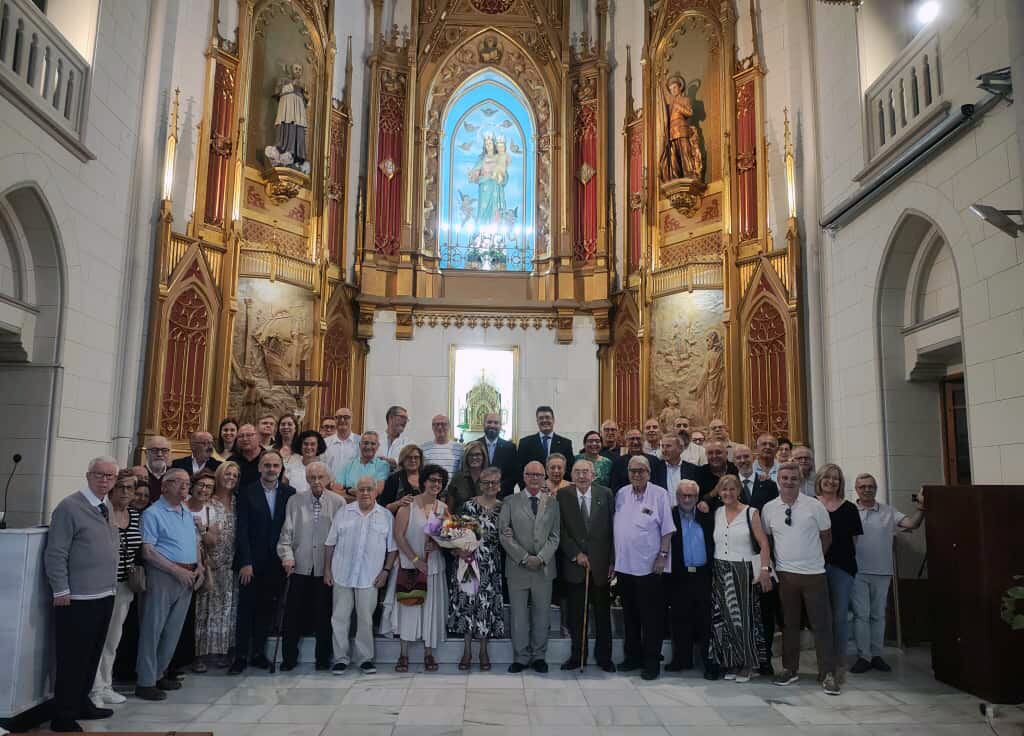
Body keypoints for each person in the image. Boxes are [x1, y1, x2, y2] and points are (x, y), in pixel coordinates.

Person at [44, 457, 120, 731]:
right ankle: (63, 715)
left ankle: (81, 702)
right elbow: (56, 552)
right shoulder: (69, 507)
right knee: (72, 658)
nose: (104, 480)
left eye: (110, 476)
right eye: (99, 474)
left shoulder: (105, 506)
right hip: (77, 598)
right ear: (88, 476)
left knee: (91, 656)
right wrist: (60, 589)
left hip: (104, 594)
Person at [761, 462, 839, 695]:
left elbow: (826, 536)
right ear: (778, 480)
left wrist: (814, 559)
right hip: (786, 575)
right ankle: (789, 669)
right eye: (784, 478)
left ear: (800, 480)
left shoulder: (814, 506)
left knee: (821, 625)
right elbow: (768, 540)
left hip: (814, 574)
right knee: (789, 624)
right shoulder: (769, 509)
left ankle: (828, 673)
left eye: (793, 478)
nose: (789, 482)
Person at [134, 469, 205, 701]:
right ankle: (145, 682)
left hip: (188, 576)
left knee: (172, 631)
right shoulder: (153, 513)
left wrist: (199, 566)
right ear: (164, 486)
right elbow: (148, 551)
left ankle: (159, 673)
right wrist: (175, 570)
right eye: (178, 482)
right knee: (152, 629)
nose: (185, 486)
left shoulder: (185, 510)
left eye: (187, 482)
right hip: (163, 575)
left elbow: (195, 542)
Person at [850, 474, 925, 673]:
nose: (867, 489)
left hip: (882, 571)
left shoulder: (888, 511)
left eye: (871, 486)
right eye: (862, 487)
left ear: (876, 488)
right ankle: (863, 656)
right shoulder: (850, 510)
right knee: (861, 615)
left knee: (878, 615)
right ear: (856, 489)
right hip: (857, 571)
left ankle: (876, 655)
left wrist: (922, 508)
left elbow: (912, 524)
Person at [230, 450, 296, 674]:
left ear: (281, 468)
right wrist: (245, 562)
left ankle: (258, 653)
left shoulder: (289, 493)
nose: (271, 469)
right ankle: (240, 656)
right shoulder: (247, 492)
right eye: (267, 465)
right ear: (259, 467)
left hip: (275, 562)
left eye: (275, 465)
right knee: (246, 609)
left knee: (266, 609)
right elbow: (242, 530)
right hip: (251, 562)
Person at [325, 476, 398, 675]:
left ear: (376, 492)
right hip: (341, 573)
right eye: (361, 489)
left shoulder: (385, 516)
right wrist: (327, 570)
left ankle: (365, 659)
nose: (365, 493)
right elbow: (330, 543)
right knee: (339, 617)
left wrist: (386, 571)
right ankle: (340, 658)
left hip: (370, 577)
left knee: (365, 619)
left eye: (369, 489)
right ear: (356, 492)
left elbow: (392, 549)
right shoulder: (343, 512)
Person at [277, 461, 344, 671]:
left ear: (328, 479)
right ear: (306, 479)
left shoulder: (338, 502)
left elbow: (342, 537)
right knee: (292, 615)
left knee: (324, 615)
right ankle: (289, 658)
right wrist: (287, 556)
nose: (316, 481)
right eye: (312, 477)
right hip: (299, 565)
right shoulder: (295, 501)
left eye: (320, 477)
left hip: (326, 568)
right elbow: (286, 534)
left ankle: (323, 659)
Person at [384, 464, 450, 673]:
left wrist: (438, 545)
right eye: (432, 480)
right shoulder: (408, 505)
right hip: (409, 565)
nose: (436, 484)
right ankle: (403, 654)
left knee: (431, 609)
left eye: (439, 481)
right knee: (409, 607)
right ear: (423, 482)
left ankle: (429, 653)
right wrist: (415, 559)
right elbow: (398, 535)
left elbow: (448, 538)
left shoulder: (443, 508)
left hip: (433, 566)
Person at [707, 476, 773, 682]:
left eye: (732, 489)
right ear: (719, 492)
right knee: (725, 620)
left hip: (743, 570)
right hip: (720, 569)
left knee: (744, 618)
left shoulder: (750, 512)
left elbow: (764, 543)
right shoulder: (717, 512)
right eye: (724, 490)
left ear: (739, 490)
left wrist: (764, 569)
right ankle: (731, 661)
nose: (728, 493)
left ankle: (748, 664)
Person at [614, 455, 674, 680]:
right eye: (633, 471)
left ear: (649, 473)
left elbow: (667, 529)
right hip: (625, 565)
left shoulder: (660, 494)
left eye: (641, 470)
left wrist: (662, 556)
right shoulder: (621, 493)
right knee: (630, 615)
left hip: (650, 567)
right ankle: (633, 657)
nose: (637, 474)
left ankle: (651, 662)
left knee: (651, 617)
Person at [499, 460, 560, 673]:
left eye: (538, 475)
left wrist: (541, 558)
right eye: (530, 474)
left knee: (542, 615)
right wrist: (524, 557)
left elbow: (555, 536)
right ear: (524, 477)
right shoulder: (510, 501)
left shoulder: (553, 503)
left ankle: (539, 656)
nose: (534, 478)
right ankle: (521, 657)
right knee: (518, 616)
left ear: (544, 477)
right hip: (518, 567)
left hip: (543, 568)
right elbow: (504, 534)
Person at [89, 470, 142, 708]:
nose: (125, 492)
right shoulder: (102, 512)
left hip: (124, 585)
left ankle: (106, 685)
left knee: (113, 639)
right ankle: (93, 688)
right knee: (97, 639)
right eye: (121, 487)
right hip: (100, 584)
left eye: (130, 488)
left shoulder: (135, 514)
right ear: (112, 489)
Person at [557, 460, 614, 671]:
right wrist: (575, 554)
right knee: (576, 616)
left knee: (602, 615)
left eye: (585, 472)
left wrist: (612, 560)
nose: (582, 476)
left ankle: (604, 658)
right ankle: (577, 656)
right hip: (575, 566)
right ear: (571, 475)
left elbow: (613, 528)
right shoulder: (563, 495)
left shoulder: (605, 494)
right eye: (577, 472)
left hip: (601, 566)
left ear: (593, 474)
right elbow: (560, 529)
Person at [450, 466, 506, 671]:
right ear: (480, 485)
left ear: (499, 485)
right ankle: (466, 651)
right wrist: (458, 550)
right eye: (486, 482)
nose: (490, 486)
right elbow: (452, 533)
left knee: (486, 606)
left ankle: (483, 651)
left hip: (491, 565)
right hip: (468, 562)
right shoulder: (468, 506)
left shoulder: (504, 508)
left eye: (494, 482)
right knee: (467, 604)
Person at [815, 463, 863, 683]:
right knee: (821, 617)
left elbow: (854, 540)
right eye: (827, 477)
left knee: (840, 616)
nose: (831, 481)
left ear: (840, 483)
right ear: (820, 480)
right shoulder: (810, 505)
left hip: (842, 567)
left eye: (835, 478)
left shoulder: (850, 508)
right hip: (815, 567)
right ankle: (824, 662)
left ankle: (839, 661)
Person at [665, 479, 715, 677]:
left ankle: (709, 663)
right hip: (679, 575)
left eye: (691, 496)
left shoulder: (706, 516)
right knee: (679, 619)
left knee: (705, 620)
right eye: (683, 495)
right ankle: (681, 659)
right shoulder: (670, 515)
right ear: (677, 497)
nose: (687, 499)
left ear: (697, 497)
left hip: (703, 574)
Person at [169, 471, 217, 676]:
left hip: (198, 566)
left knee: (190, 615)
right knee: (173, 615)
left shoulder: (210, 511)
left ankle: (182, 660)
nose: (204, 490)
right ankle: (168, 663)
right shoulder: (179, 506)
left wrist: (202, 529)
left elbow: (212, 542)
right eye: (201, 485)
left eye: (209, 487)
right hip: (175, 565)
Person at [194, 461, 240, 668]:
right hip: (210, 561)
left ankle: (222, 650)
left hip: (231, 563)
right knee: (205, 608)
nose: (231, 478)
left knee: (227, 608)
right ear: (219, 475)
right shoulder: (208, 501)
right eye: (227, 474)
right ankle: (199, 655)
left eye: (235, 475)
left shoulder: (238, 501)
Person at [517, 405, 575, 487]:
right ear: (537, 421)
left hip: (559, 490)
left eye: (547, 417)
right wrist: (527, 489)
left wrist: (563, 488)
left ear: (553, 420)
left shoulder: (565, 443)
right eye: (541, 418)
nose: (544, 420)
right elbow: (519, 470)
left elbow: (569, 469)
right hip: (533, 489)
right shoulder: (525, 443)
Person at [336, 431, 391, 499]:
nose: (368, 447)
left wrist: (349, 492)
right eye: (365, 443)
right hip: (348, 504)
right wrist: (349, 492)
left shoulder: (383, 465)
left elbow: (378, 491)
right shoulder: (348, 465)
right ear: (359, 445)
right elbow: (336, 491)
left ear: (378, 446)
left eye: (373, 443)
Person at [481, 412, 518, 498]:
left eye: (496, 423)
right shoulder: (475, 445)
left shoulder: (510, 448)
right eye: (489, 422)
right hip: (479, 495)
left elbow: (513, 475)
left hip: (503, 496)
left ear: (500, 426)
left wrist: (496, 489)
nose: (492, 425)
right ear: (484, 424)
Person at [380, 443, 425, 513]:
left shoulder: (427, 477)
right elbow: (383, 508)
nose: (413, 460)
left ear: (420, 459)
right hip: (399, 518)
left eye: (416, 457)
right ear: (403, 459)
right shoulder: (394, 479)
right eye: (409, 457)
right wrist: (398, 503)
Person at [446, 440, 486, 515]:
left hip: (484, 521)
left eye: (478, 454)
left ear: (483, 457)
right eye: (470, 455)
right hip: (459, 521)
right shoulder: (457, 478)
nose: (474, 457)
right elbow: (449, 509)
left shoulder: (489, 478)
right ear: (466, 457)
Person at [284, 429, 327, 494]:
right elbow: (284, 488)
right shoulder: (291, 466)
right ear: (300, 445)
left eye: (313, 444)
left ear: (318, 446)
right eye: (305, 444)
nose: (309, 447)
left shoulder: (324, 469)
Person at [660, 433, 699, 503]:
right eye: (662, 446)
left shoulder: (693, 469)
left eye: (668, 446)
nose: (664, 450)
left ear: (680, 448)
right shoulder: (655, 469)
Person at [143, 435, 172, 503]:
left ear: (169, 453)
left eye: (164, 450)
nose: (159, 454)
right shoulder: (139, 474)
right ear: (146, 453)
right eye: (154, 450)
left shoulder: (174, 474)